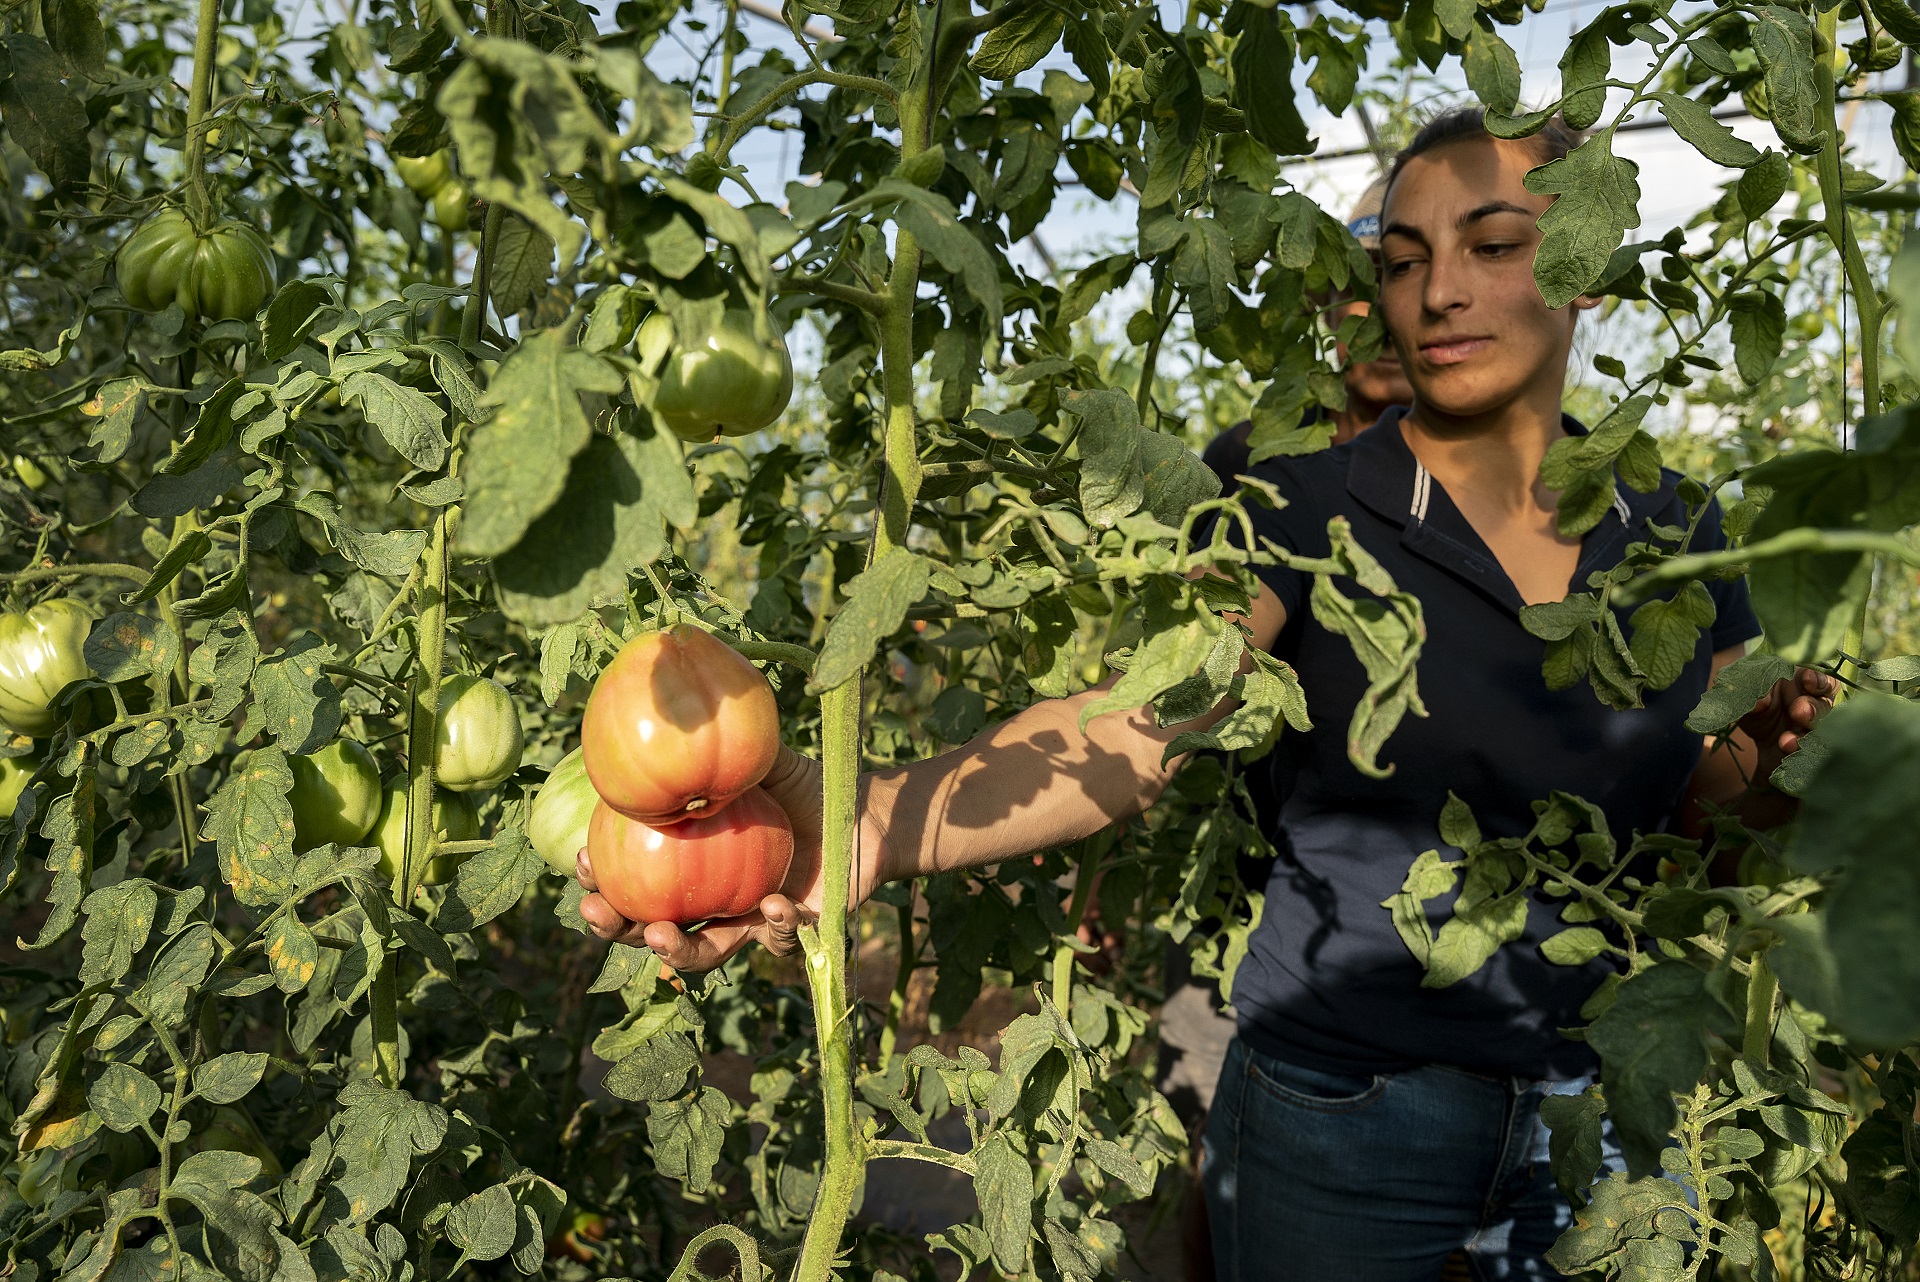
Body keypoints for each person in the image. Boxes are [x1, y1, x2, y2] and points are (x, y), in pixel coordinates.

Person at [578, 107, 1833, 1279]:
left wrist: (1771, 769)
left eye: (1493, 244)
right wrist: (869, 823)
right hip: (1349, 1116)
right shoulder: (1304, 499)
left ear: (1586, 264)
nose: (1437, 291)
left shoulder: (1676, 526)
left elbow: (1704, 814)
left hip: (1599, 1115)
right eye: (1402, 261)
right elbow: (1132, 726)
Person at [1201, 176, 1415, 485]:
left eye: (1408, 285)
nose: (1383, 324)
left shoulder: (1478, 474)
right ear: (1329, 310)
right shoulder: (1242, 457)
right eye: (1361, 287)